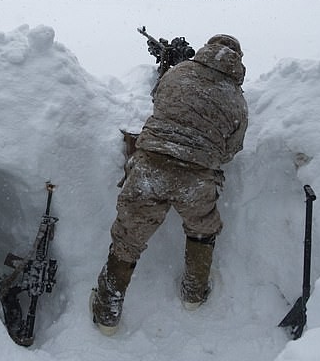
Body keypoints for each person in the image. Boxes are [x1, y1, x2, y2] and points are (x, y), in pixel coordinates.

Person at [91, 33, 249, 335]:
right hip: (198, 179)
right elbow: (231, 150)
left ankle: (106, 313)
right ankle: (193, 294)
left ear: (207, 49)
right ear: (238, 62)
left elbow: (158, 100)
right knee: (202, 230)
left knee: (128, 238)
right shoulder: (237, 101)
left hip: (151, 167)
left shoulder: (179, 73)